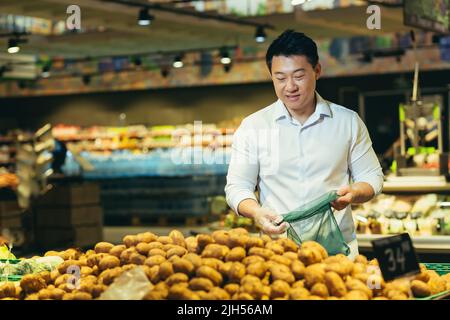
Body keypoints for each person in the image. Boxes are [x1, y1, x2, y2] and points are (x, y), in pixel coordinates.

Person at [225, 30, 384, 259]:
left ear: (317, 71)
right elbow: (237, 187)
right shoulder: (253, 127)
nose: (290, 86)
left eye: (298, 76)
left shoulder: (347, 121)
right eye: (280, 78)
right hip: (279, 255)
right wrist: (256, 212)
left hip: (338, 256)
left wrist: (355, 192)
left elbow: (372, 176)